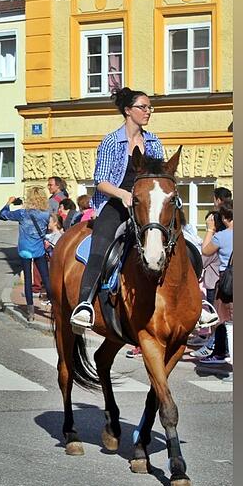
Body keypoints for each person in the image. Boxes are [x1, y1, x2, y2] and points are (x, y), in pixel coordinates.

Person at [69, 88, 165, 330]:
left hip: (148, 205)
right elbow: (99, 180)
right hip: (116, 203)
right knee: (100, 248)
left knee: (179, 240)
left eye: (149, 107)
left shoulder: (153, 141)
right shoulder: (111, 141)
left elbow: (161, 177)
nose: (148, 112)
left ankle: (198, 302)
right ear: (127, 111)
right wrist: (123, 193)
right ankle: (84, 305)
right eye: (143, 107)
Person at [0, 189, 53, 319]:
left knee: (28, 280)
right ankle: (55, 307)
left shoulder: (22, 213)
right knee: (46, 278)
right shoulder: (46, 214)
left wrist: (9, 202)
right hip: (39, 249)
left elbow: (2, 215)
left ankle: (30, 312)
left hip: (25, 250)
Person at [198, 200, 233, 365]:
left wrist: (210, 229)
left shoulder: (222, 236)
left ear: (225, 218)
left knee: (224, 322)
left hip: (228, 282)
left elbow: (204, 252)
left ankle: (223, 354)